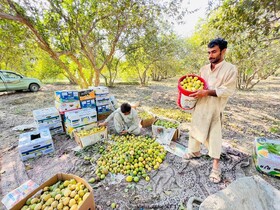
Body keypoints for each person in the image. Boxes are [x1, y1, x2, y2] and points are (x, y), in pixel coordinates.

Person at [184, 38, 237, 184]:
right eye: (209, 52)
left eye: (214, 52)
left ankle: (215, 166)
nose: (210, 55)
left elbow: (228, 90)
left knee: (214, 136)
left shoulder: (230, 69)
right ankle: (195, 151)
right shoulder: (204, 68)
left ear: (223, 51)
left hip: (214, 108)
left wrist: (206, 93)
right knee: (195, 128)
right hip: (200, 105)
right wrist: (190, 96)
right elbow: (199, 85)